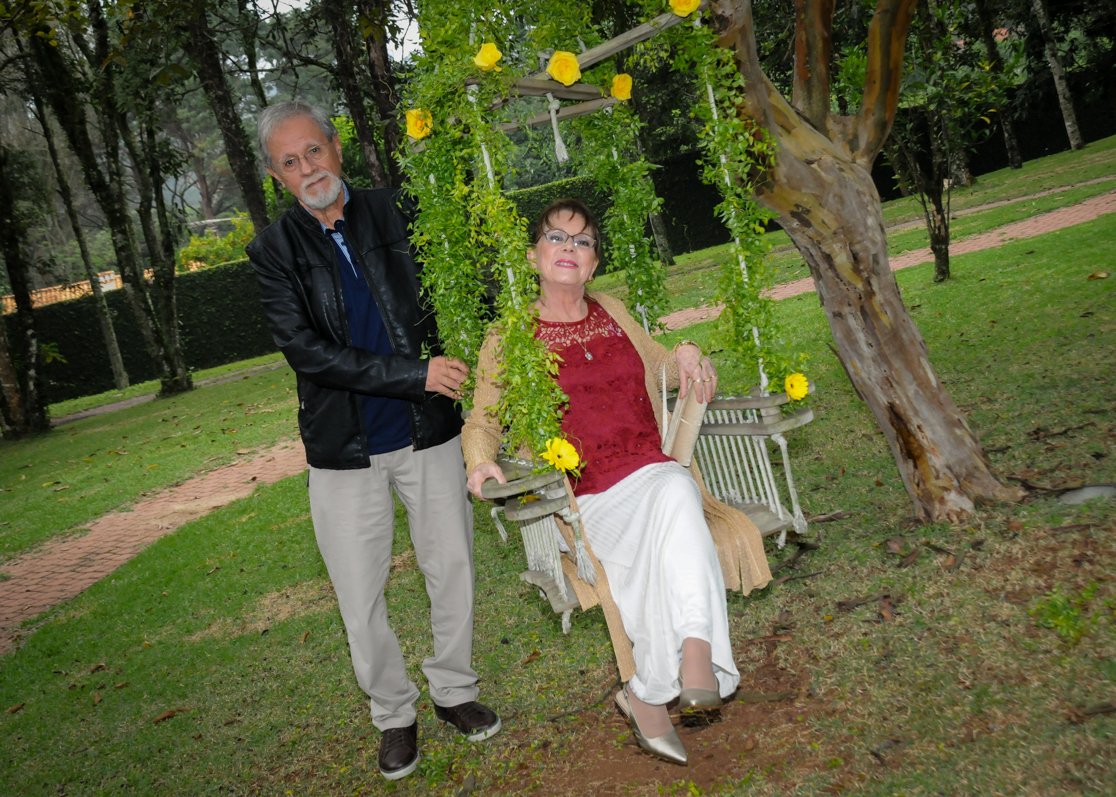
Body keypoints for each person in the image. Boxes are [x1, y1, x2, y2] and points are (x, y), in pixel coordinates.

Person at [462, 199, 770, 765]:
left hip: (649, 475)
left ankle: (670, 677)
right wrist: (480, 460)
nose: (569, 249)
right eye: (556, 238)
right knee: (672, 507)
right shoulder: (509, 338)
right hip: (583, 501)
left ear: (594, 263)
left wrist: (689, 352)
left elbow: (663, 366)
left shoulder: (613, 310)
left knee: (673, 494)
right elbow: (482, 419)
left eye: (582, 242)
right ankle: (677, 672)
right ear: (534, 255)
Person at [246, 100, 500, 781]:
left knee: (452, 567)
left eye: (315, 151)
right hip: (342, 450)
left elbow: (456, 293)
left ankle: (455, 690)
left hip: (428, 433)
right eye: (290, 162)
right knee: (359, 596)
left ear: (335, 145)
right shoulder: (272, 252)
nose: (308, 168)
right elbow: (309, 352)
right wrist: (415, 373)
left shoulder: (400, 211)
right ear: (276, 175)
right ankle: (394, 713)